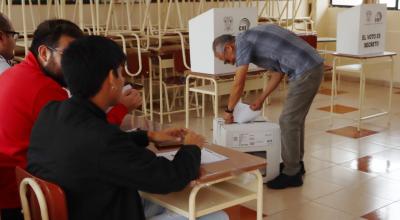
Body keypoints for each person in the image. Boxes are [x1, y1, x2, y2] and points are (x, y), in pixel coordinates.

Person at [27, 35, 228, 220]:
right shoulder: (101, 139)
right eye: (121, 73)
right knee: (217, 217)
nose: (123, 79)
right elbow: (169, 178)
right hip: (105, 211)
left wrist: (148, 136)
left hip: (84, 206)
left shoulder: (51, 112)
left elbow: (93, 148)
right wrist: (192, 147)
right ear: (111, 79)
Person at [0, 19, 141, 220]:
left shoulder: (15, 73)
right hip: (28, 196)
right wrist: (121, 109)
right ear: (43, 53)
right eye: (69, 56)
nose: (75, 65)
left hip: (14, 184)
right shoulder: (44, 89)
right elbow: (86, 139)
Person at [213, 24, 324, 189]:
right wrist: (261, 98)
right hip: (311, 66)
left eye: (226, 59)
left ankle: (292, 173)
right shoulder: (252, 37)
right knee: (295, 120)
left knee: (288, 121)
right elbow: (278, 72)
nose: (230, 63)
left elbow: (239, 82)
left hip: (305, 70)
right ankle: (296, 164)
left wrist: (229, 110)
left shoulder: (242, 42)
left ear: (229, 47)